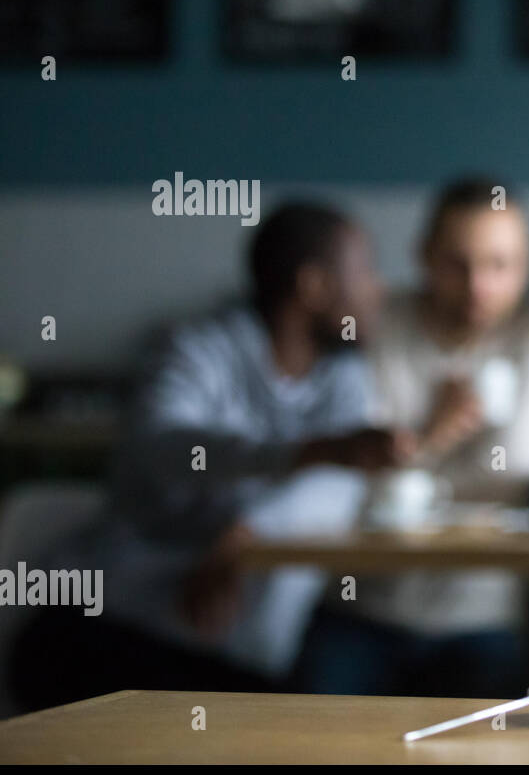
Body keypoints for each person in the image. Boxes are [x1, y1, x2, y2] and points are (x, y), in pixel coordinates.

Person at [11, 201, 414, 712]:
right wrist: (302, 453)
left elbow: (340, 487)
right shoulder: (197, 349)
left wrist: (246, 533)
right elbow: (165, 447)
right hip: (113, 624)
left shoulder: (345, 375)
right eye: (365, 270)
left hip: (237, 658)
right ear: (314, 287)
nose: (378, 287)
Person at [291, 178, 529, 697]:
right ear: (423, 255)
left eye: (499, 265)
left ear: (526, 266)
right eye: (457, 264)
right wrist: (437, 433)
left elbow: (515, 467)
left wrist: (412, 456)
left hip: (480, 617)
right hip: (360, 604)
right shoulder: (374, 324)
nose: (478, 285)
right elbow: (354, 477)